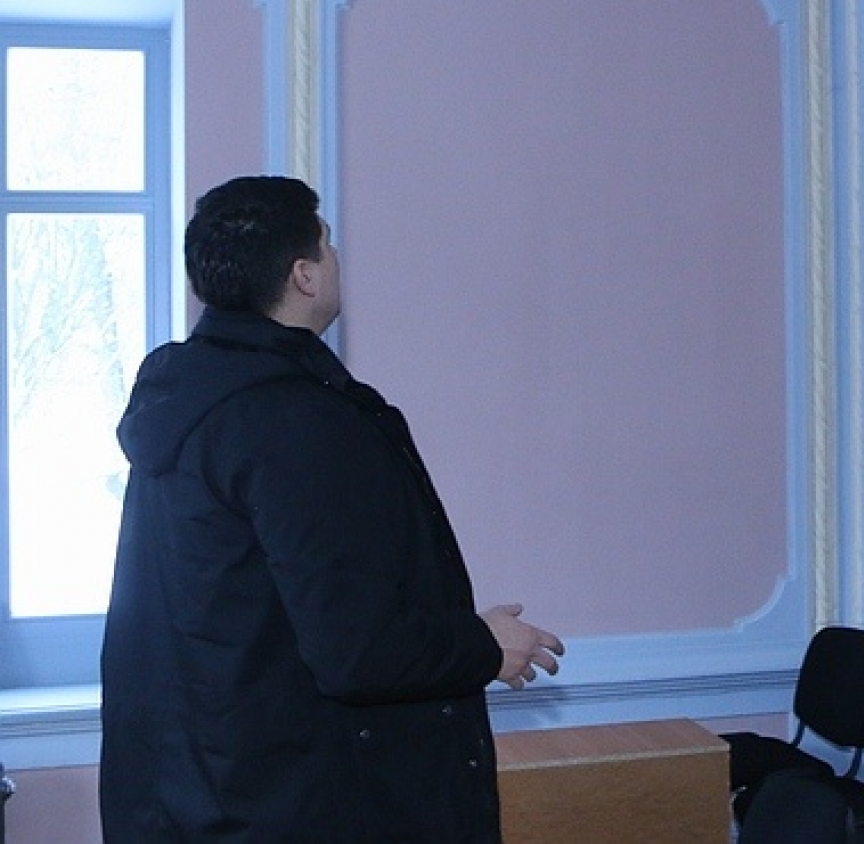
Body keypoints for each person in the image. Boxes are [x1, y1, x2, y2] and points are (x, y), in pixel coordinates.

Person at [101, 175, 565, 841]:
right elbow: (357, 649)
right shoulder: (296, 421)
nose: (336, 257)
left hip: (202, 800)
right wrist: (482, 646)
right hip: (300, 808)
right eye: (327, 243)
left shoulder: (191, 401)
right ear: (305, 275)